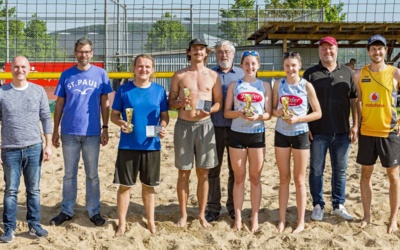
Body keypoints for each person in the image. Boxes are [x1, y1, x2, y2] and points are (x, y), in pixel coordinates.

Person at [50, 38, 113, 227]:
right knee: (69, 174)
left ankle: (93, 210)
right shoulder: (67, 75)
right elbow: (60, 103)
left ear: (92, 53)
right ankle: (67, 210)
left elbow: (105, 103)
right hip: (69, 131)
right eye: (80, 51)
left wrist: (105, 127)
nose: (83, 54)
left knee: (92, 174)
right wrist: (55, 130)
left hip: (92, 132)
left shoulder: (101, 74)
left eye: (87, 51)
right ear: (75, 53)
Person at [111, 54, 169, 236]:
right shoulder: (124, 90)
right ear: (134, 68)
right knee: (125, 186)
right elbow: (114, 116)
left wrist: (164, 127)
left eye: (147, 67)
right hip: (128, 145)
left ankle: (150, 221)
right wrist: (121, 124)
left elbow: (164, 116)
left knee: (149, 186)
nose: (143, 69)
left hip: (151, 145)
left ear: (152, 70)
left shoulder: (159, 91)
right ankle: (122, 223)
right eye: (140, 66)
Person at [168, 38, 222, 228]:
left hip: (205, 125)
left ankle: (201, 215)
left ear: (206, 53)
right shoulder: (180, 75)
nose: (198, 52)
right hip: (184, 125)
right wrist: (179, 103)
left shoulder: (213, 76)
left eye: (201, 49)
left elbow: (218, 103)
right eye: (195, 49)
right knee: (183, 173)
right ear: (189, 52)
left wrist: (211, 110)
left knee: (203, 173)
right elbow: (170, 102)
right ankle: (183, 215)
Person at [303, 36, 358, 222]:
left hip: (342, 131)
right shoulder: (310, 74)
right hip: (318, 131)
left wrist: (355, 125)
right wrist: (306, 126)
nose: (327, 52)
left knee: (340, 170)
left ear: (337, 49)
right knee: (316, 170)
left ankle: (338, 205)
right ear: (319, 51)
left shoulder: (348, 73)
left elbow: (354, 101)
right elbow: (304, 104)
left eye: (330, 48)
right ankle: (318, 205)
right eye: (324, 49)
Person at [0, 56, 53, 242]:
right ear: (11, 69)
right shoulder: (2, 92)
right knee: (11, 190)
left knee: (34, 190)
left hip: (34, 147)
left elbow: (46, 118)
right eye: (16, 67)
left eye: (23, 67)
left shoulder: (38, 91)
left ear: (29, 69)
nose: (19, 70)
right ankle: (9, 228)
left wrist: (48, 145)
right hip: (9, 149)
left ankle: (34, 225)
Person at [354, 34, 400, 234]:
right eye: (373, 48)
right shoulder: (359, 74)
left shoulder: (396, 73)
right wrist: (356, 125)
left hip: (389, 132)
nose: (377, 52)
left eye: (380, 48)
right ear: (368, 51)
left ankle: (393, 218)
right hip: (367, 131)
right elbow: (357, 102)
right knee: (366, 174)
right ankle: (367, 216)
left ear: (386, 50)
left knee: (393, 176)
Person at [272, 52, 321, 233]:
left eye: (293, 65)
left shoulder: (306, 86)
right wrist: (278, 112)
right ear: (283, 67)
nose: (290, 69)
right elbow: (272, 110)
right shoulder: (278, 84)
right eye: (287, 65)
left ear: (299, 66)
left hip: (300, 134)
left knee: (299, 180)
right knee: (283, 178)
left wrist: (299, 119)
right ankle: (282, 220)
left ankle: (300, 222)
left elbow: (318, 113)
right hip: (281, 133)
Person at [224, 50, 272, 232]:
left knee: (255, 178)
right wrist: (239, 113)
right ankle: (238, 217)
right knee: (238, 178)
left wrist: (258, 116)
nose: (250, 67)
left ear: (258, 65)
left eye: (253, 64)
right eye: (246, 63)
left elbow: (268, 114)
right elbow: (227, 112)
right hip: (236, 134)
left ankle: (255, 218)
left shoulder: (265, 85)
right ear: (241, 65)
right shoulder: (234, 85)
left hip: (257, 134)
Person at [206, 40, 244, 222]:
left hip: (238, 128)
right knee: (213, 169)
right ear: (215, 54)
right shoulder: (209, 74)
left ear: (233, 54)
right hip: (213, 126)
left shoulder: (243, 73)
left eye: (227, 51)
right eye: (220, 52)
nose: (224, 55)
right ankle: (213, 206)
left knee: (234, 170)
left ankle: (232, 205)